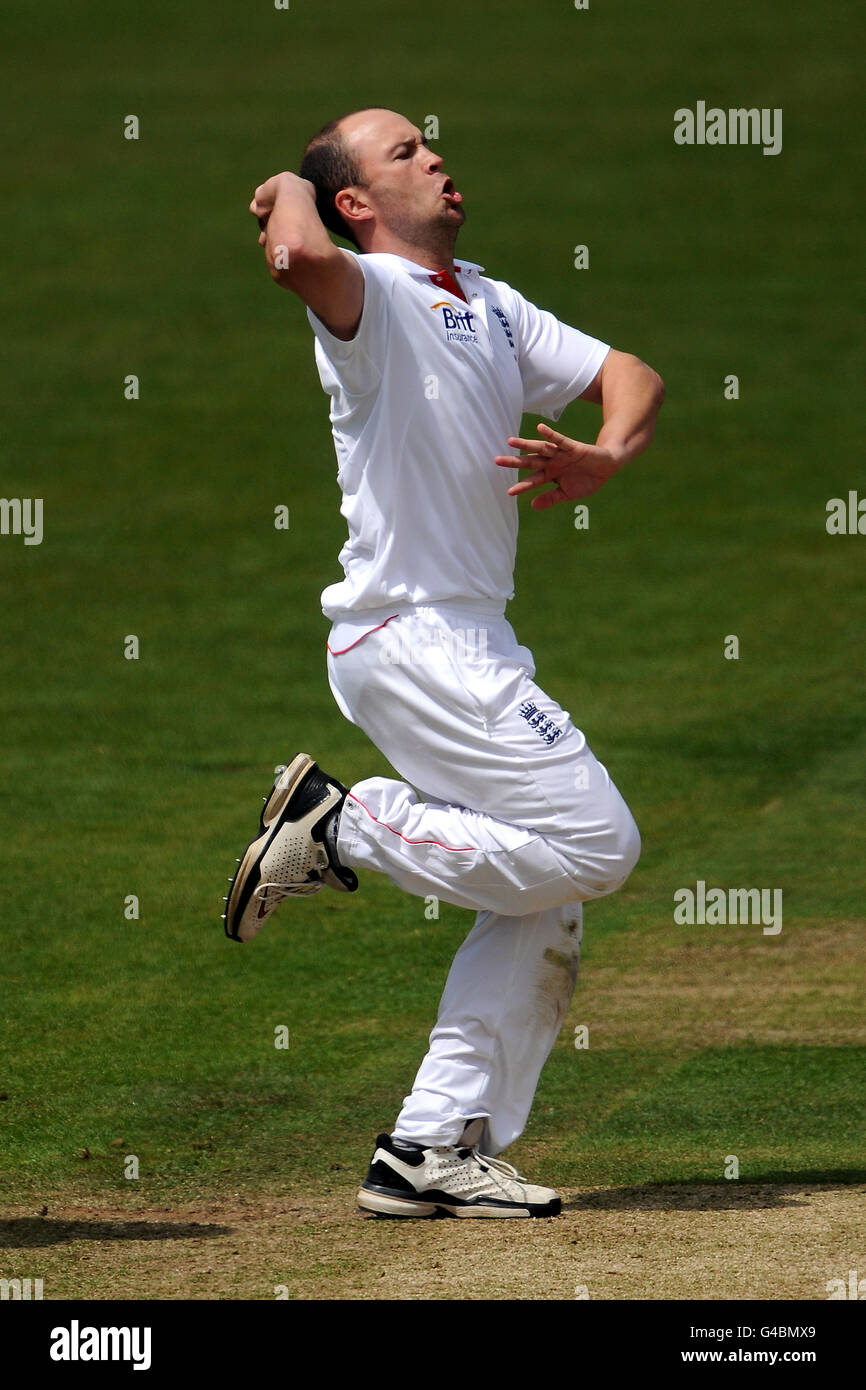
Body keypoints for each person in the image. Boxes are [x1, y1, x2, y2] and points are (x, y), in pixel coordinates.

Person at [224, 108, 664, 1219]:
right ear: (359, 202)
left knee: (544, 894)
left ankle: (427, 1146)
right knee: (598, 845)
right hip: (411, 635)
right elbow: (301, 243)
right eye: (405, 152)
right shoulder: (367, 300)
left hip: (468, 639)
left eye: (431, 142)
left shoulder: (492, 300)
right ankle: (340, 825)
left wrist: (605, 451)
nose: (436, 157)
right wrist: (291, 187)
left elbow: (629, 371)